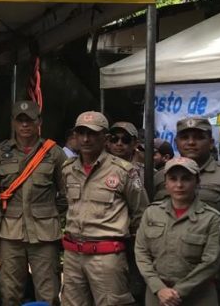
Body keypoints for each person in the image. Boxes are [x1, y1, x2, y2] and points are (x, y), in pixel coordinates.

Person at [151, 117, 220, 305]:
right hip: (168, 275)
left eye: (198, 137)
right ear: (176, 142)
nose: (191, 142)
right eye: (185, 137)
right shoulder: (161, 176)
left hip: (217, 275)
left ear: (211, 143)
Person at [60, 111, 149, 306]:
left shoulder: (123, 171)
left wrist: (136, 254)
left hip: (107, 257)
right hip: (73, 255)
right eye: (81, 133)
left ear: (105, 138)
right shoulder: (68, 170)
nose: (85, 139)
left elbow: (141, 214)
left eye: (92, 133)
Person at [0, 101, 66, 306]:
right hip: (10, 233)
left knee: (48, 292)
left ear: (39, 121)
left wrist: (51, 216)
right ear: (13, 122)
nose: (24, 125)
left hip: (44, 234)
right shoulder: (0, 153)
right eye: (20, 120)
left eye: (29, 120)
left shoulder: (54, 153)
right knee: (9, 291)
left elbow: (67, 194)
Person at [135, 157, 220, 306]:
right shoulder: (152, 213)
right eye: (173, 179)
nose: (179, 185)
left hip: (199, 295)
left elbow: (211, 262)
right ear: (166, 183)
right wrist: (159, 288)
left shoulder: (211, 218)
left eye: (186, 179)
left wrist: (177, 292)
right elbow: (141, 252)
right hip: (157, 293)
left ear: (197, 181)